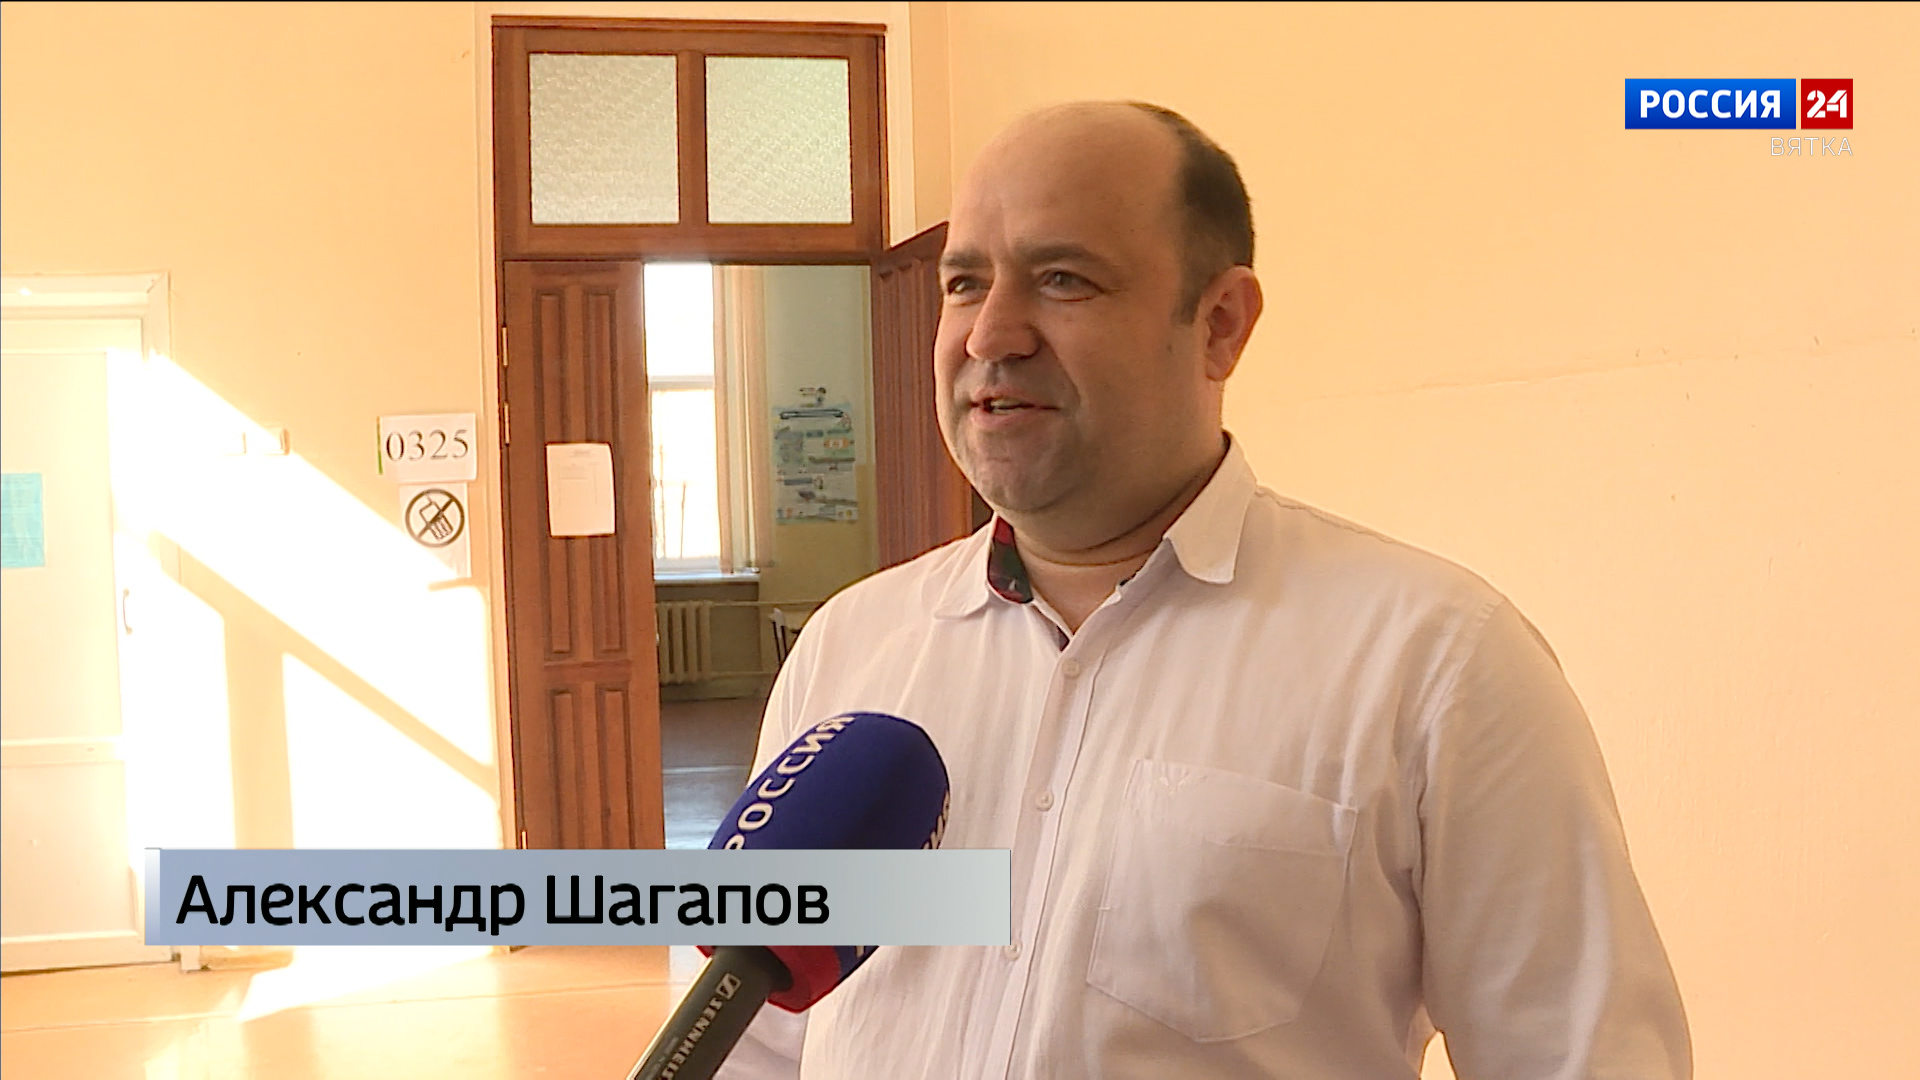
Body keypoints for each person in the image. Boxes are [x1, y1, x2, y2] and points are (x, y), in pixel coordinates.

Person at [719, 102, 1690, 1079]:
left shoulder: (1436, 660)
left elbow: (1582, 1057)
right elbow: (759, 1043)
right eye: (964, 283)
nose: (990, 335)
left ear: (1220, 325)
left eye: (1063, 279)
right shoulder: (852, 646)